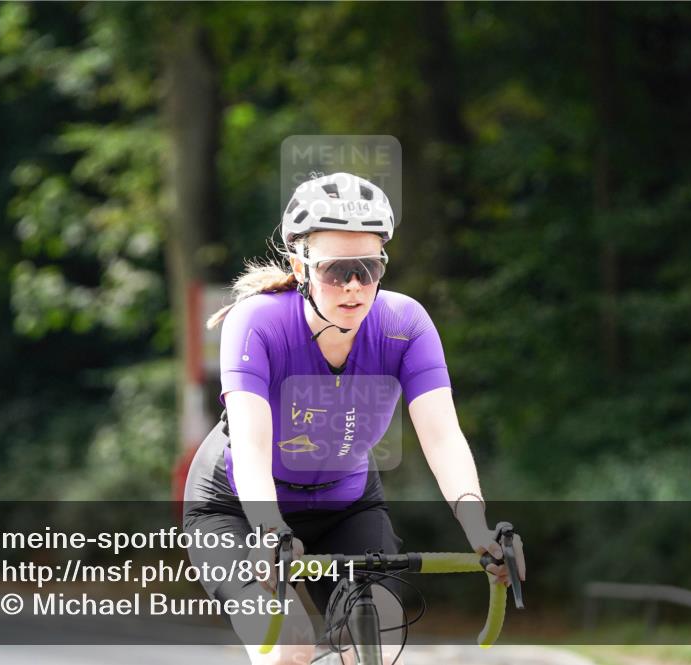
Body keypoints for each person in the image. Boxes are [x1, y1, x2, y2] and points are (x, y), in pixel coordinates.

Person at [183, 172, 524, 665]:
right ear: (299, 266)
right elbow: (254, 445)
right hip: (237, 508)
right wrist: (266, 528)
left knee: (376, 643)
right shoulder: (256, 322)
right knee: (289, 647)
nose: (353, 286)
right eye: (335, 269)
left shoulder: (404, 324)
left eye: (368, 267)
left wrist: (478, 529)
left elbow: (443, 436)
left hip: (345, 505)